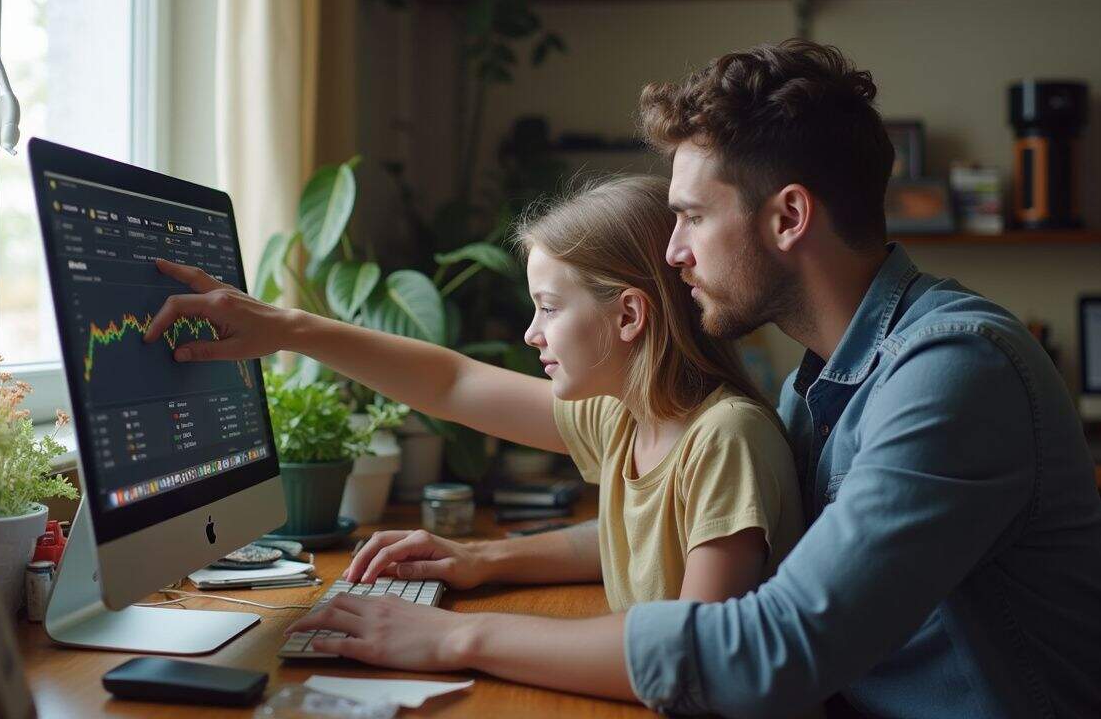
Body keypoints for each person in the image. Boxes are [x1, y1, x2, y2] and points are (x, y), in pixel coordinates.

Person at [157, 38, 1101, 717]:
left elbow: (768, 650)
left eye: (692, 218)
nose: (669, 254)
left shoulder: (950, 374)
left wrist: (453, 640)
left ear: (787, 218)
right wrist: (488, 562)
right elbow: (676, 514)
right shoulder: (826, 379)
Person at [144, 175, 803, 624]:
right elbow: (450, 384)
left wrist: (448, 639)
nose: (530, 333)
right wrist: (284, 328)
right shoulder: (628, 417)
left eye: (547, 307)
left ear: (630, 315)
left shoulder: (723, 439)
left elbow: (695, 656)